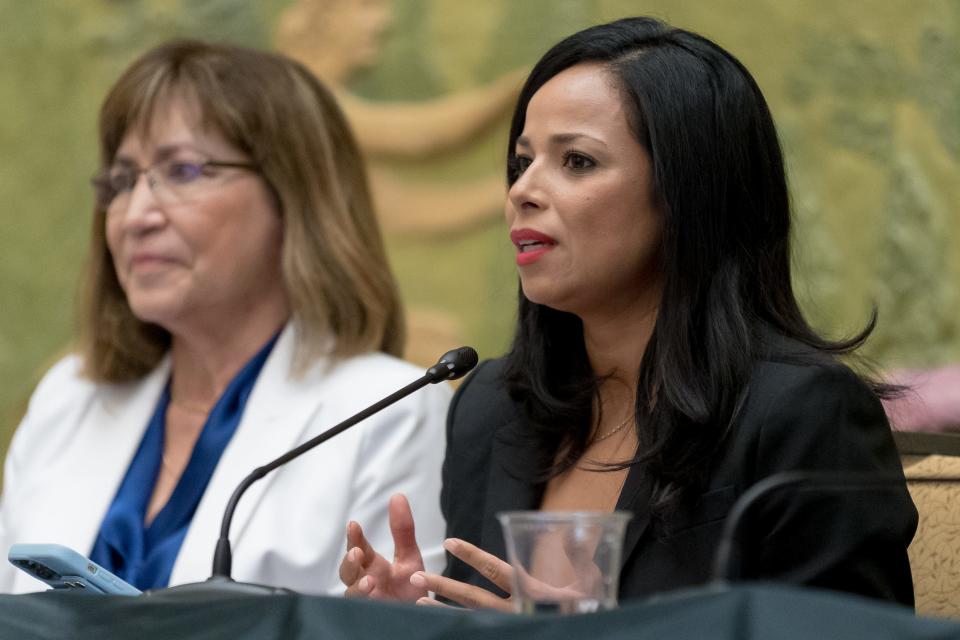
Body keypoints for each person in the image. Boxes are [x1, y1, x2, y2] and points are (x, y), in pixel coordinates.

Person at [338, 17, 918, 609]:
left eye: (578, 162)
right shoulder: (491, 406)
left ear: (688, 193)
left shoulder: (801, 414)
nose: (522, 191)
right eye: (522, 162)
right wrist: (414, 623)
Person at [0, 40, 451, 595]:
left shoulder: (390, 411)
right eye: (121, 182)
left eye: (183, 170)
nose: (136, 214)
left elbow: (400, 619)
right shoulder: (67, 398)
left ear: (293, 197)